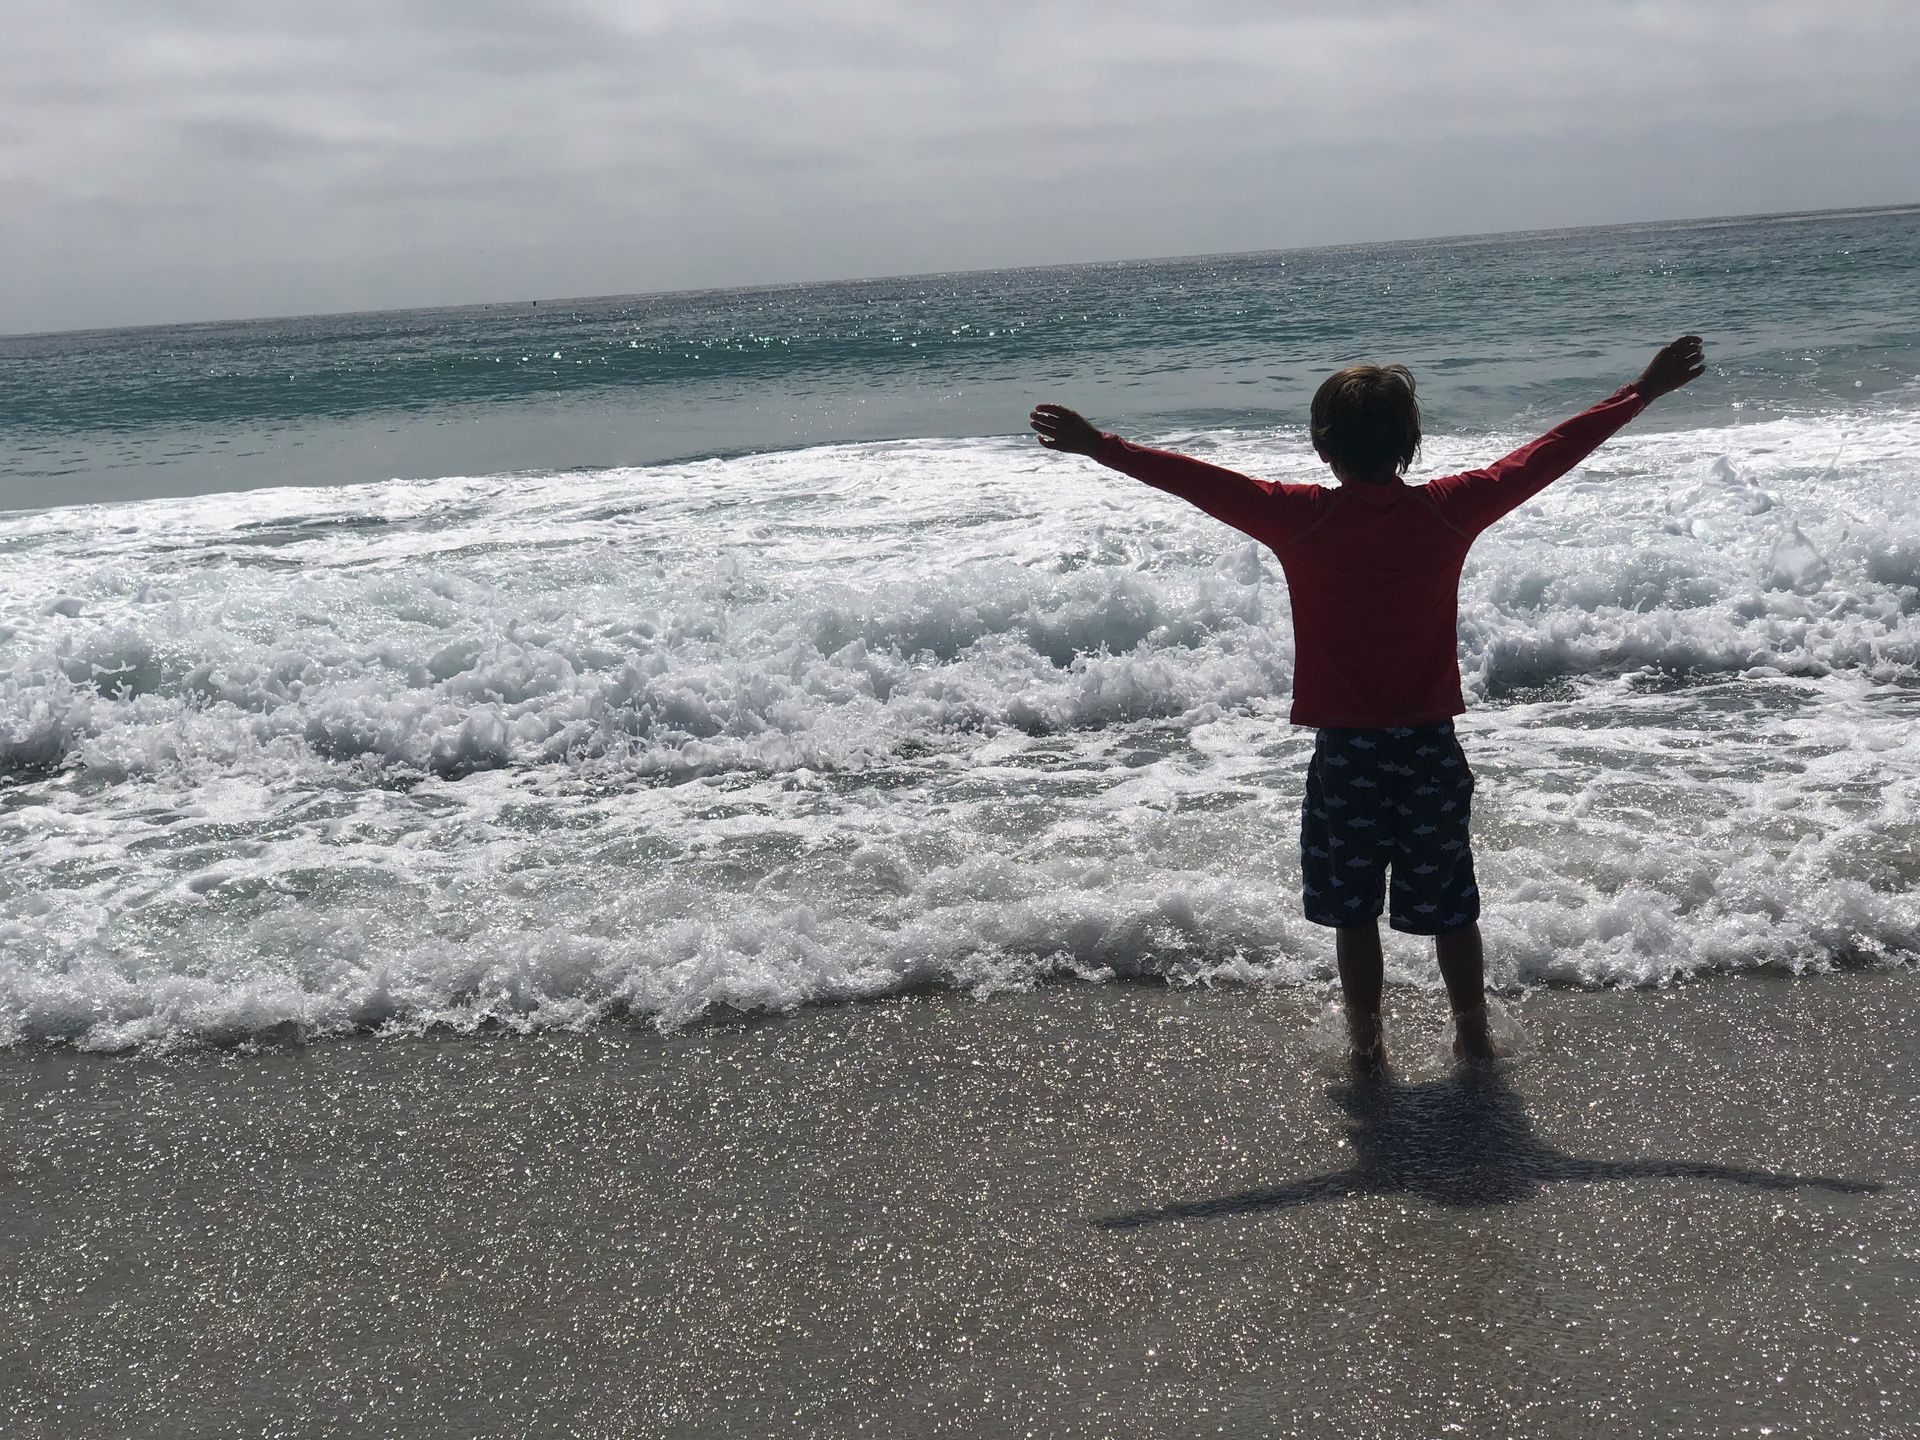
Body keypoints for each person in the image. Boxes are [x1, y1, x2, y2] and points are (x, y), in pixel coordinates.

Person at [1029, 336, 1707, 1072]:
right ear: (1410, 444)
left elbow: (1202, 484)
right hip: (1429, 748)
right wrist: (1641, 391)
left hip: (1348, 753)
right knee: (1452, 905)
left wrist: (1104, 447)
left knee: (1354, 912)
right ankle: (1471, 1032)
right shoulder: (1450, 511)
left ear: (1323, 447)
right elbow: (1545, 455)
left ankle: (1366, 1045)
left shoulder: (1300, 518)